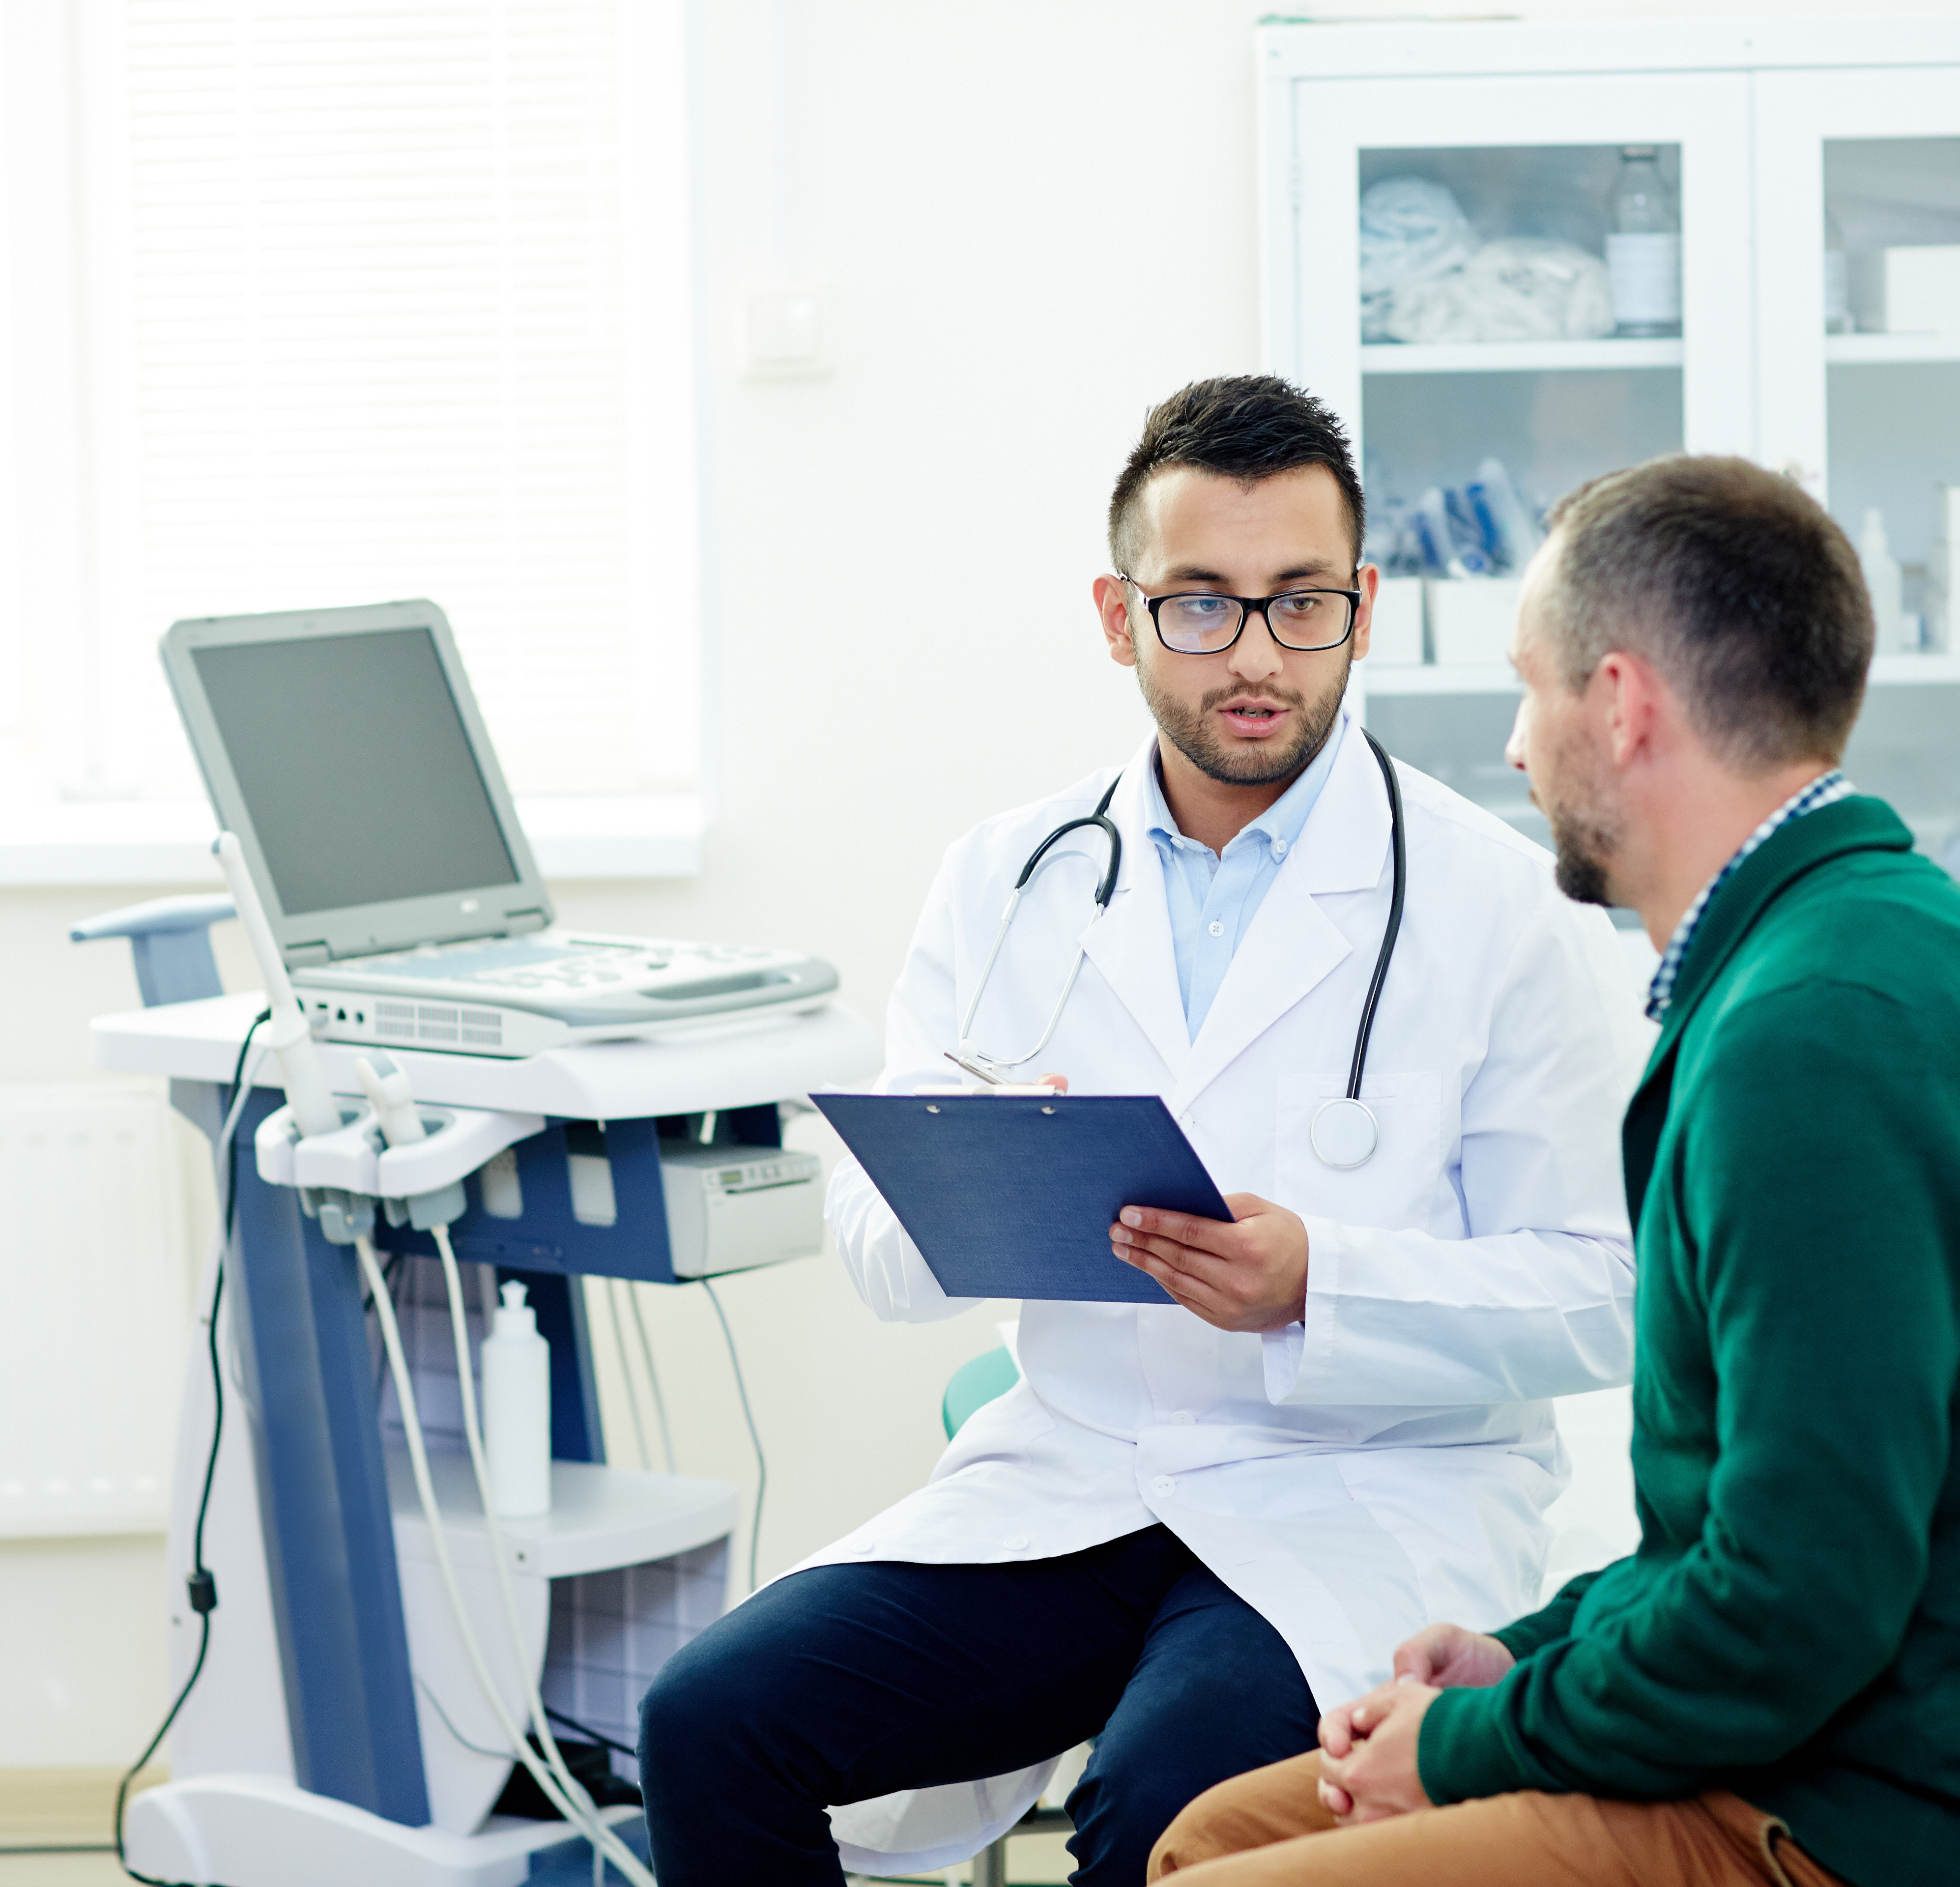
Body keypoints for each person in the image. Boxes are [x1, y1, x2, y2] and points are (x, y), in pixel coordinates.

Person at [637, 375, 1645, 1885]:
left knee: (1164, 1812)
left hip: (1367, 1490)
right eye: (1199, 606)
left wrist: (1324, 1281)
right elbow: (870, 1239)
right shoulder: (1006, 878)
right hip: (1082, 1471)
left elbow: (1603, 1287)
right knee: (711, 1719)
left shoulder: (1500, 904)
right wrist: (974, 1175)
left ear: (1363, 608)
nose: (1254, 656)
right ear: (1119, 618)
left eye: (1300, 604)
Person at [1148, 454, 1960, 1887]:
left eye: (1530, 689)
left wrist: (1461, 1747)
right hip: (1817, 1742)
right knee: (1209, 1833)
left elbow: (1794, 1608)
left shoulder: (1818, 1038)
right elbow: (1739, 1534)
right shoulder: (1850, 955)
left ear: (1620, 706)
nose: (1514, 748)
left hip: (1894, 1823)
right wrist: (1524, 1657)